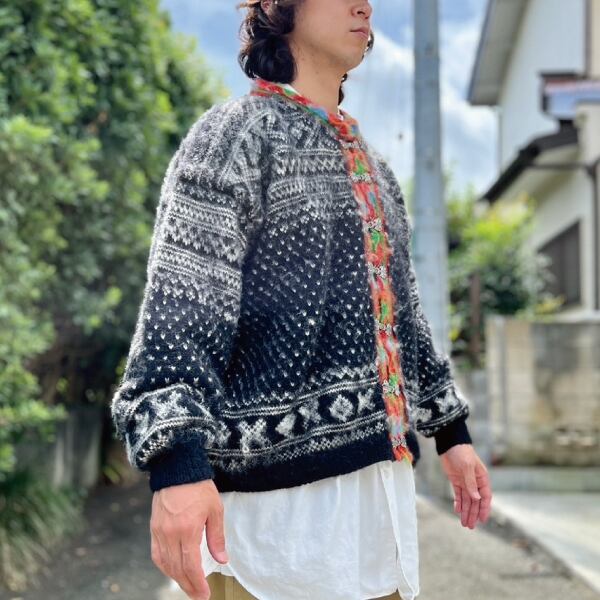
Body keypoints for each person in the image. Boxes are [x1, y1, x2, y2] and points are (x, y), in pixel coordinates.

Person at [110, 1, 493, 599]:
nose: (365, 5)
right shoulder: (234, 137)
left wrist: (451, 431)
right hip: (271, 530)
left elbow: (404, 319)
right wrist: (176, 464)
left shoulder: (375, 169)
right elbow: (179, 315)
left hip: (380, 519)